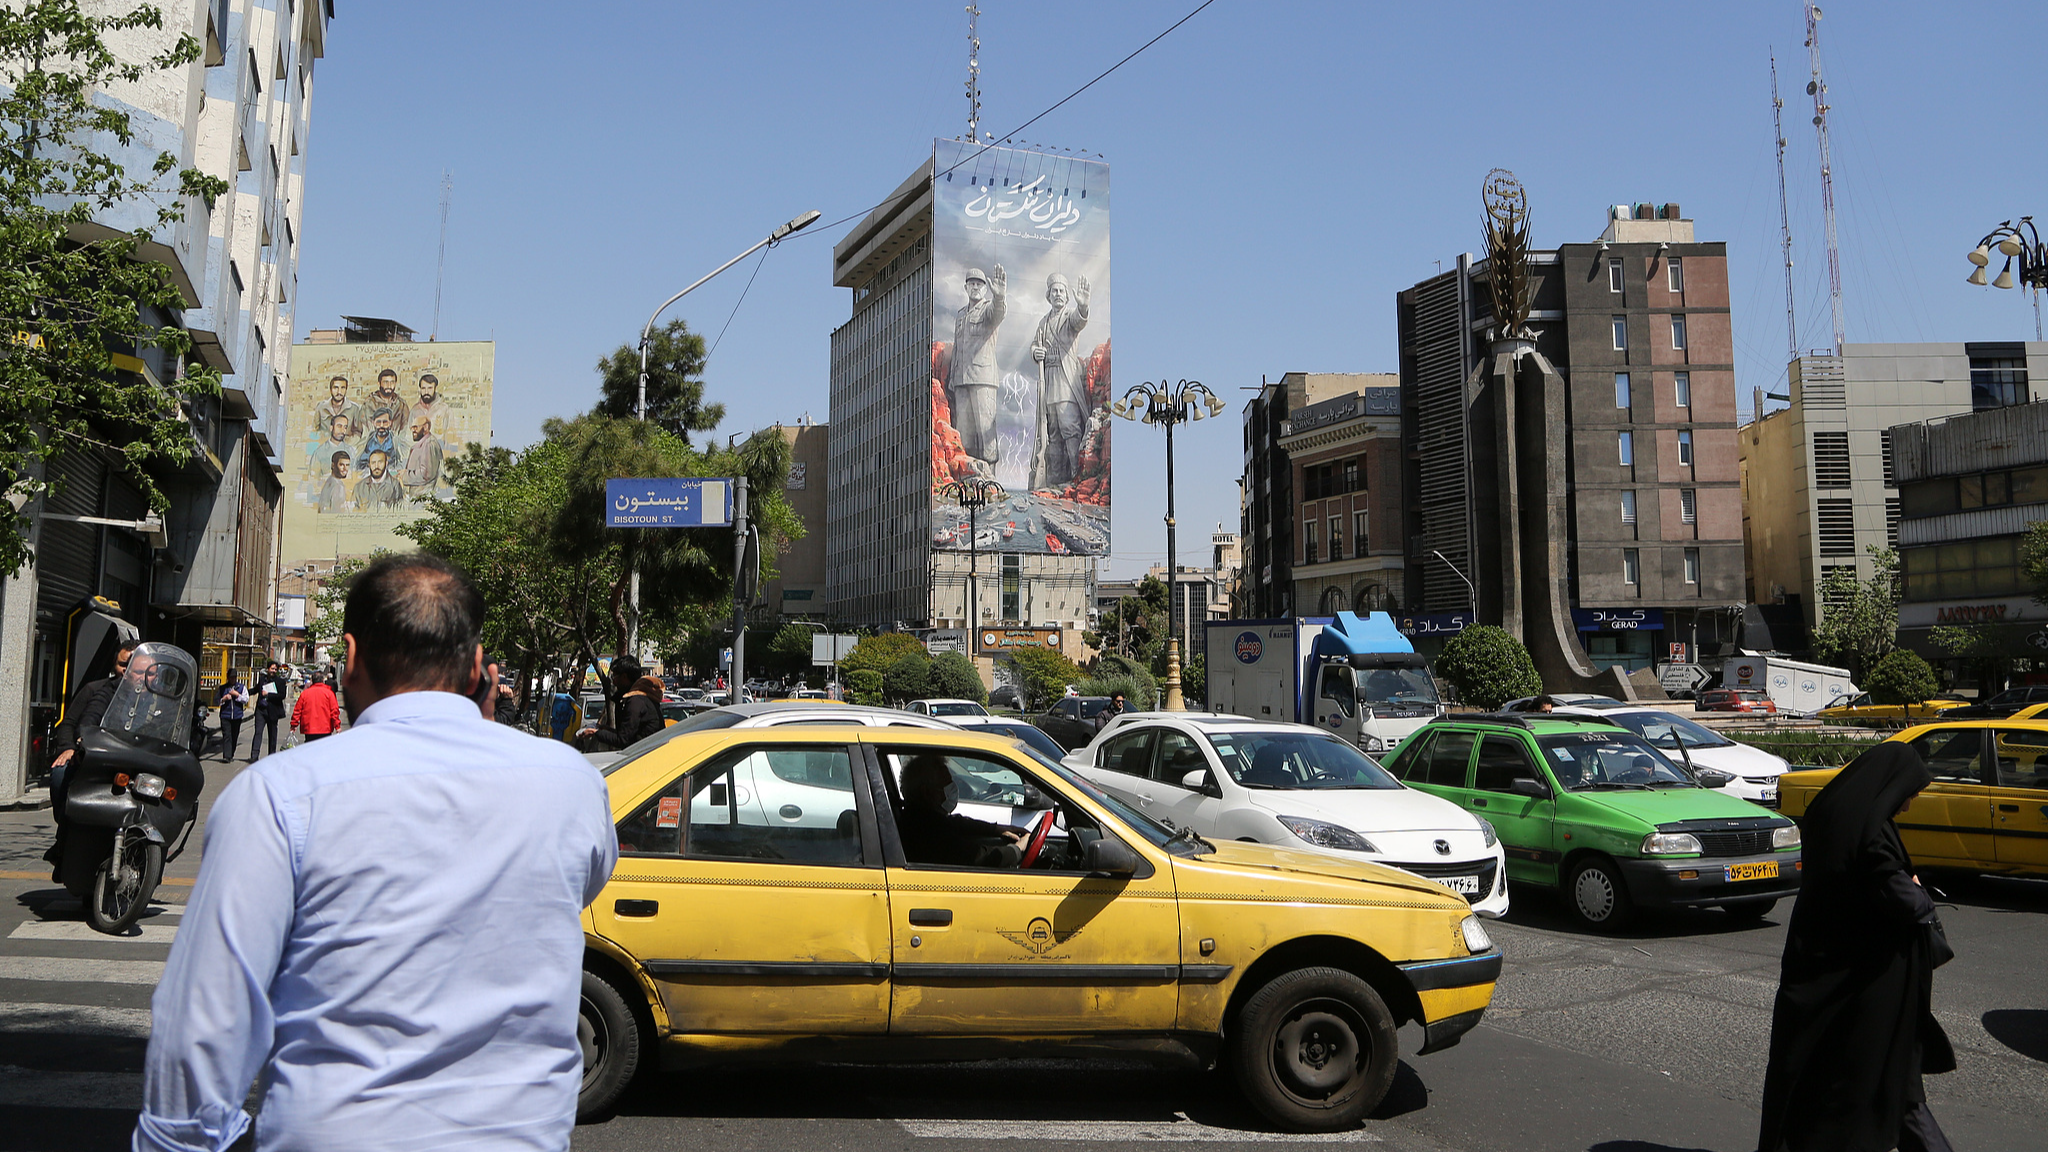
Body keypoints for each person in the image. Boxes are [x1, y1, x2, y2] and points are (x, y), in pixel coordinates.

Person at [135, 552, 616, 1152]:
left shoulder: (280, 795)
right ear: (475, 665)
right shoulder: (572, 784)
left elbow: (204, 1025)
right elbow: (581, 884)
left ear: (351, 657)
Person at [1756, 743, 1957, 1152]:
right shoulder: (1869, 837)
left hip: (1819, 975)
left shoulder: (1834, 814)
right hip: (1865, 988)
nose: (1907, 807)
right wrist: (1920, 892)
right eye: (1908, 796)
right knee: (1889, 1086)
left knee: (1823, 1078)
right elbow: (1906, 900)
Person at [43, 641, 136, 869]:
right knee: (60, 774)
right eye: (123, 665)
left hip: (134, 764)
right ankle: (64, 835)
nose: (128, 670)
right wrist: (69, 747)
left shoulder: (151, 698)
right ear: (115, 664)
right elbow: (70, 724)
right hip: (93, 761)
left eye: (134, 665)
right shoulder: (96, 690)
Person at [896, 753, 1024, 869]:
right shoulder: (925, 830)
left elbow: (955, 822)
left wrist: (996, 829)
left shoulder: (921, 817)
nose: (952, 788)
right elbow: (977, 857)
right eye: (946, 785)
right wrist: (1016, 850)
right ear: (927, 792)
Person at [1030, 271, 1091, 488]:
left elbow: (1079, 320)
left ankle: (1075, 478)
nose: (1057, 294)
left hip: (1066, 382)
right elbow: (1035, 345)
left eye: (1061, 291)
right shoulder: (1043, 322)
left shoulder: (1068, 317)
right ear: (1049, 295)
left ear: (1067, 295)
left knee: (1070, 430)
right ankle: (1054, 482)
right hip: (1049, 382)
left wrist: (1083, 306)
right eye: (1054, 291)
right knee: (1053, 435)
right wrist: (1035, 352)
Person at [950, 264, 1006, 461]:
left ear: (985, 288)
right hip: (961, 380)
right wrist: (952, 380)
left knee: (986, 432)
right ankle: (968, 478)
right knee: (963, 433)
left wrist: (999, 297)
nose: (975, 287)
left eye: (980, 284)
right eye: (971, 283)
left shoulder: (987, 310)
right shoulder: (960, 315)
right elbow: (957, 348)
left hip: (983, 378)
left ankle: (990, 478)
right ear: (965, 287)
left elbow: (997, 313)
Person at [577, 675, 664, 751]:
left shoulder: (636, 702)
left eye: (615, 676)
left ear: (624, 677)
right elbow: (628, 734)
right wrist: (605, 730)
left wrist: (595, 733)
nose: (614, 682)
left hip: (642, 757)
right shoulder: (650, 703)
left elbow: (623, 740)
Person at [252, 661, 288, 759]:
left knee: (272, 734)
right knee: (258, 732)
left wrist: (268, 695)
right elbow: (255, 690)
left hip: (272, 711)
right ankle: (254, 755)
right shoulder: (262, 679)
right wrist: (244, 693)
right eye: (272, 669)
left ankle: (271, 755)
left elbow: (282, 695)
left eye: (275, 669)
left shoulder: (280, 681)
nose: (273, 671)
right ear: (268, 669)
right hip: (261, 710)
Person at [289, 673, 340, 741]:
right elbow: (334, 711)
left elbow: (297, 710)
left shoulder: (305, 693)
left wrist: (294, 725)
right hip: (325, 728)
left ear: (312, 681)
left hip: (309, 728)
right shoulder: (329, 693)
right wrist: (337, 726)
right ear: (323, 680)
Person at [401, 414, 444, 491]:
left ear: (426, 427)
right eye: (412, 428)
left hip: (424, 496)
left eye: (416, 427)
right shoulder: (425, 443)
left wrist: (404, 476)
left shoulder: (429, 444)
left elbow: (426, 474)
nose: (413, 430)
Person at [215, 670, 250, 761]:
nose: (232, 679)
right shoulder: (223, 688)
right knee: (227, 735)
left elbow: (246, 699)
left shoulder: (241, 687)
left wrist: (237, 695)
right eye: (231, 677)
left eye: (234, 677)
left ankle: (231, 753)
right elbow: (216, 701)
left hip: (237, 716)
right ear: (228, 678)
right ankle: (226, 756)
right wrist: (224, 698)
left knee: (234, 736)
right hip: (225, 715)